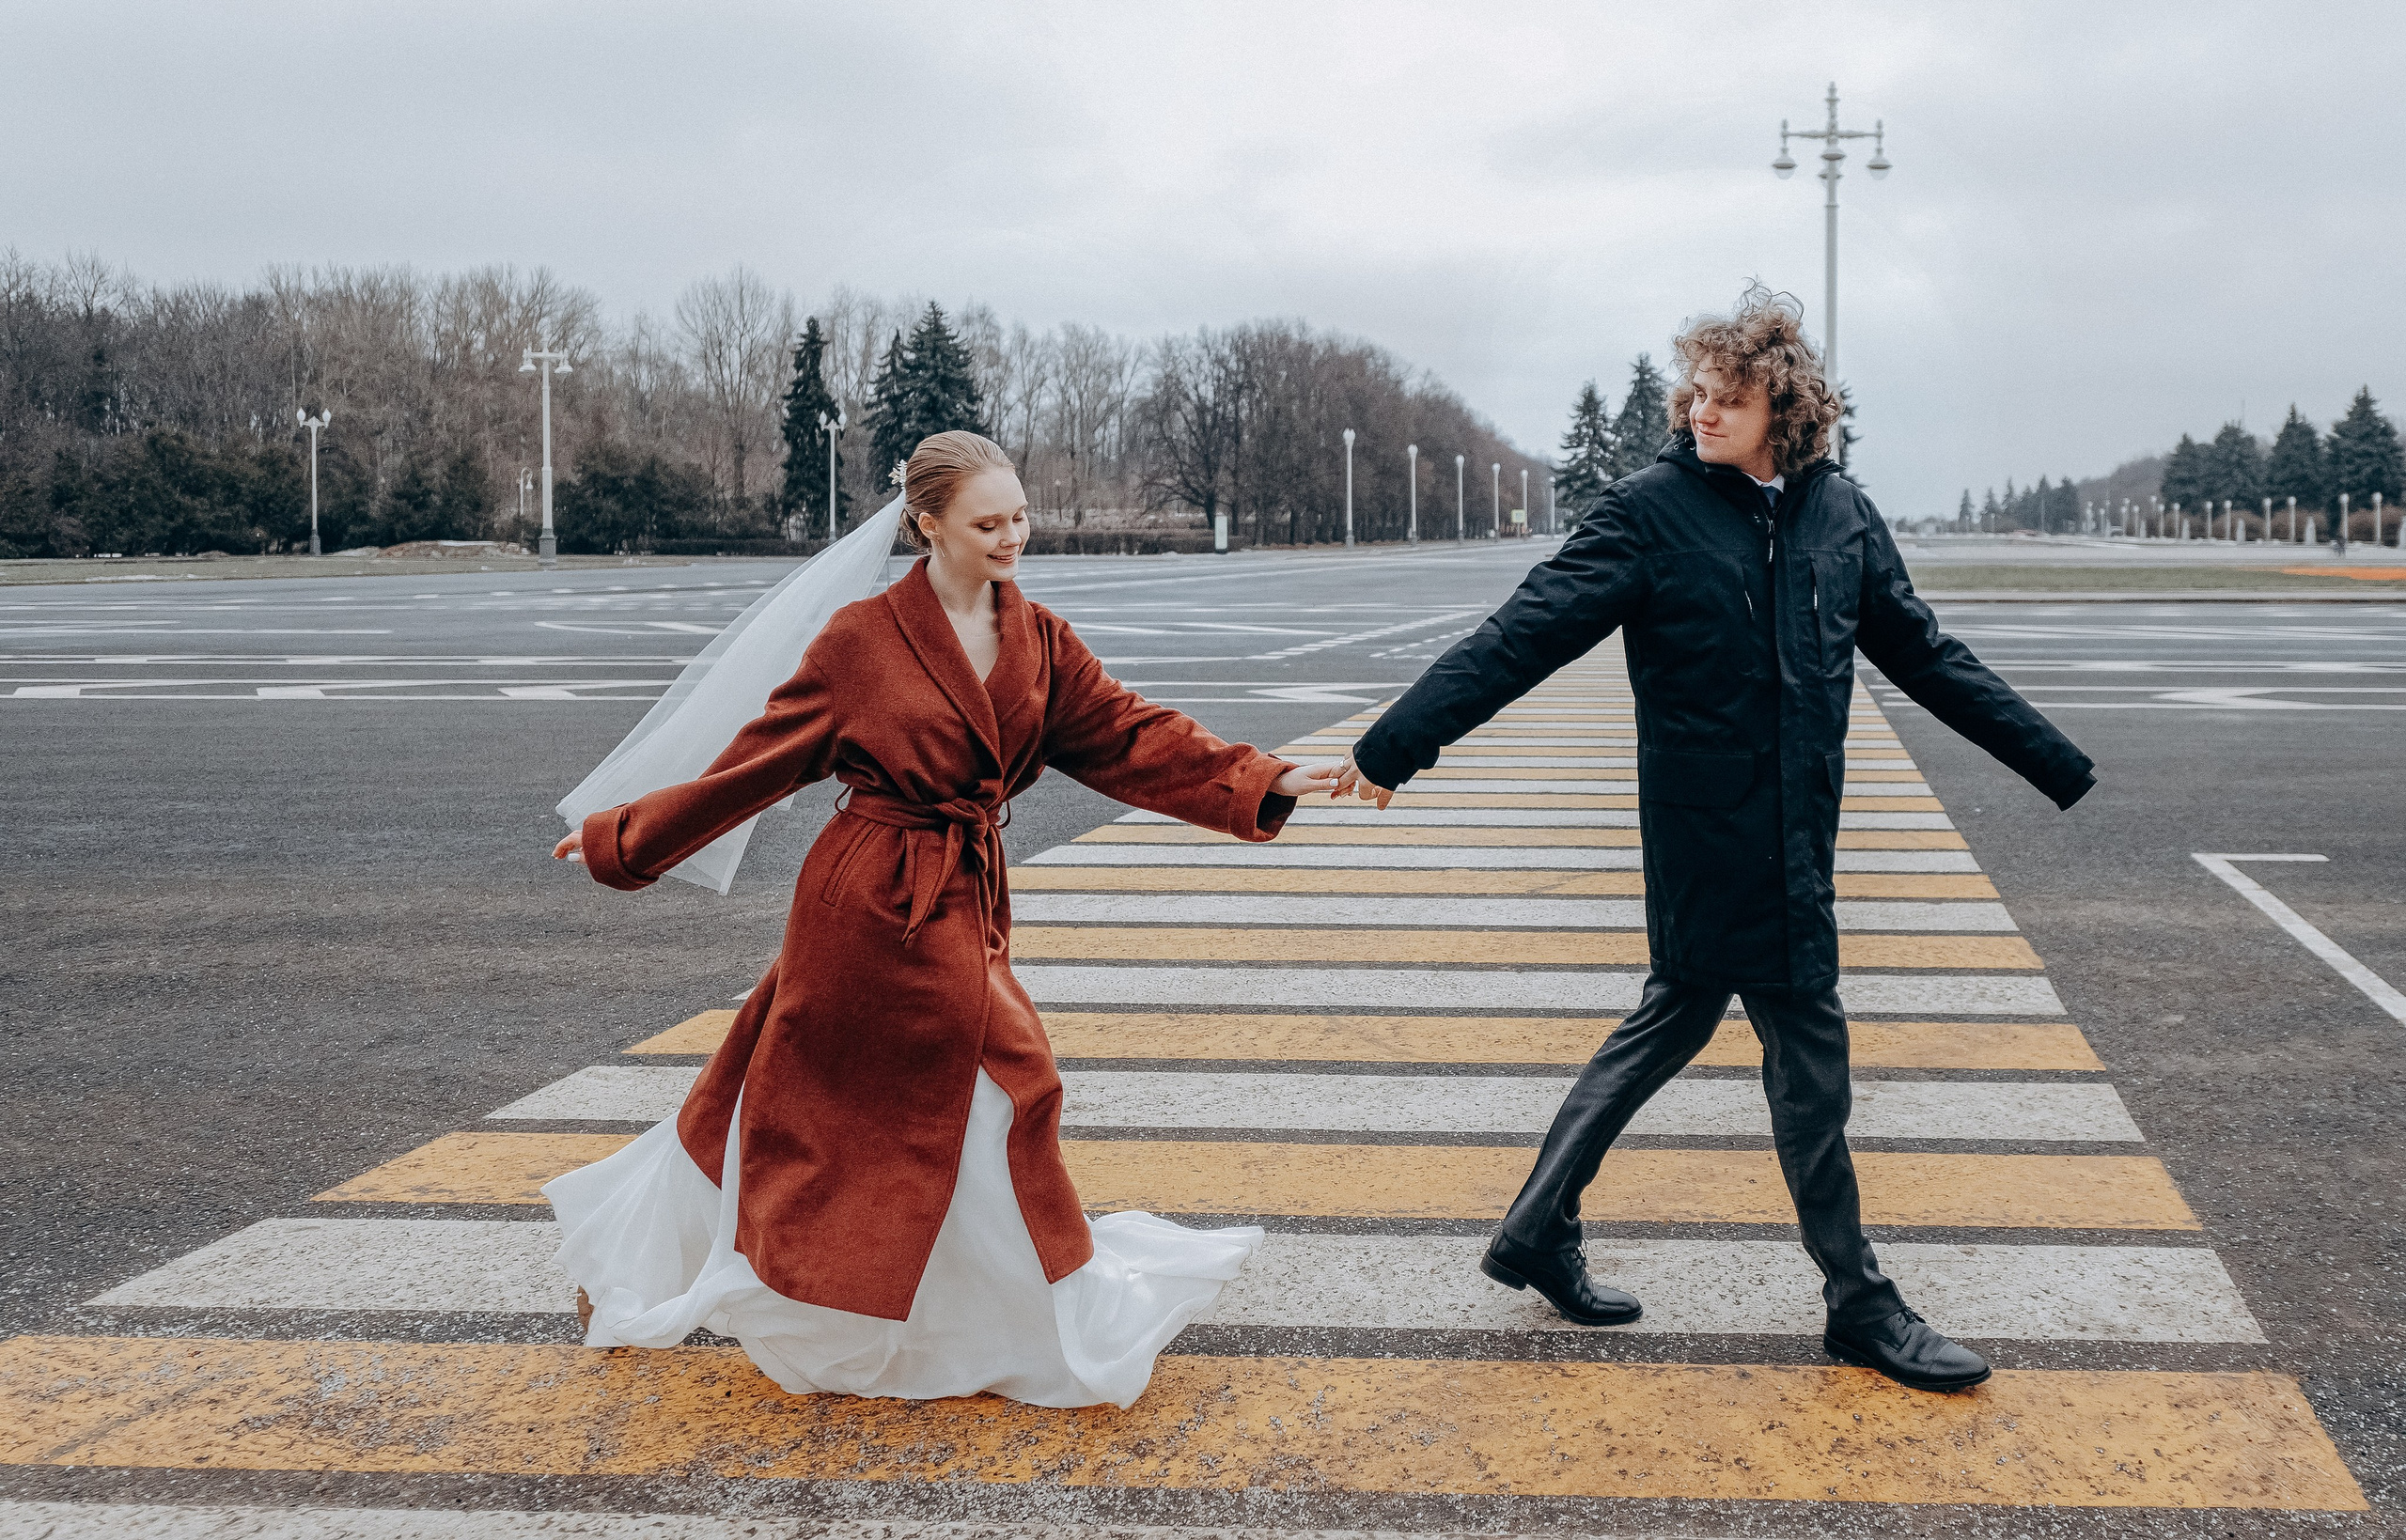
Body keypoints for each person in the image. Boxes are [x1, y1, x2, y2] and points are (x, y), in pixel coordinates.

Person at [1332, 287, 2095, 1393]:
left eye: (1725, 398)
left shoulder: (1840, 515)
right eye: (1693, 392)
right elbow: (1521, 634)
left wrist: (2050, 758)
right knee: (1808, 1060)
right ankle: (1859, 1301)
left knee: (1673, 1017)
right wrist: (1396, 741)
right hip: (1709, 834)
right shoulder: (1649, 513)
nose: (1698, 411)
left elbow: (1924, 654)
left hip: (1797, 828)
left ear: (1786, 411)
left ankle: (1538, 1227)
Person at [547, 429, 1343, 1408]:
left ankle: (949, 1309)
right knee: (970, 1088)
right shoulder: (858, 641)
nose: (1013, 537)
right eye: (988, 522)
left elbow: (1131, 733)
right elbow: (754, 765)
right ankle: (1034, 1305)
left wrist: (1259, 776)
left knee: (786, 1094)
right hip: (866, 903)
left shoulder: (1038, 637)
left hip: (960, 895)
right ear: (926, 524)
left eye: (1020, 517)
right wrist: (622, 839)